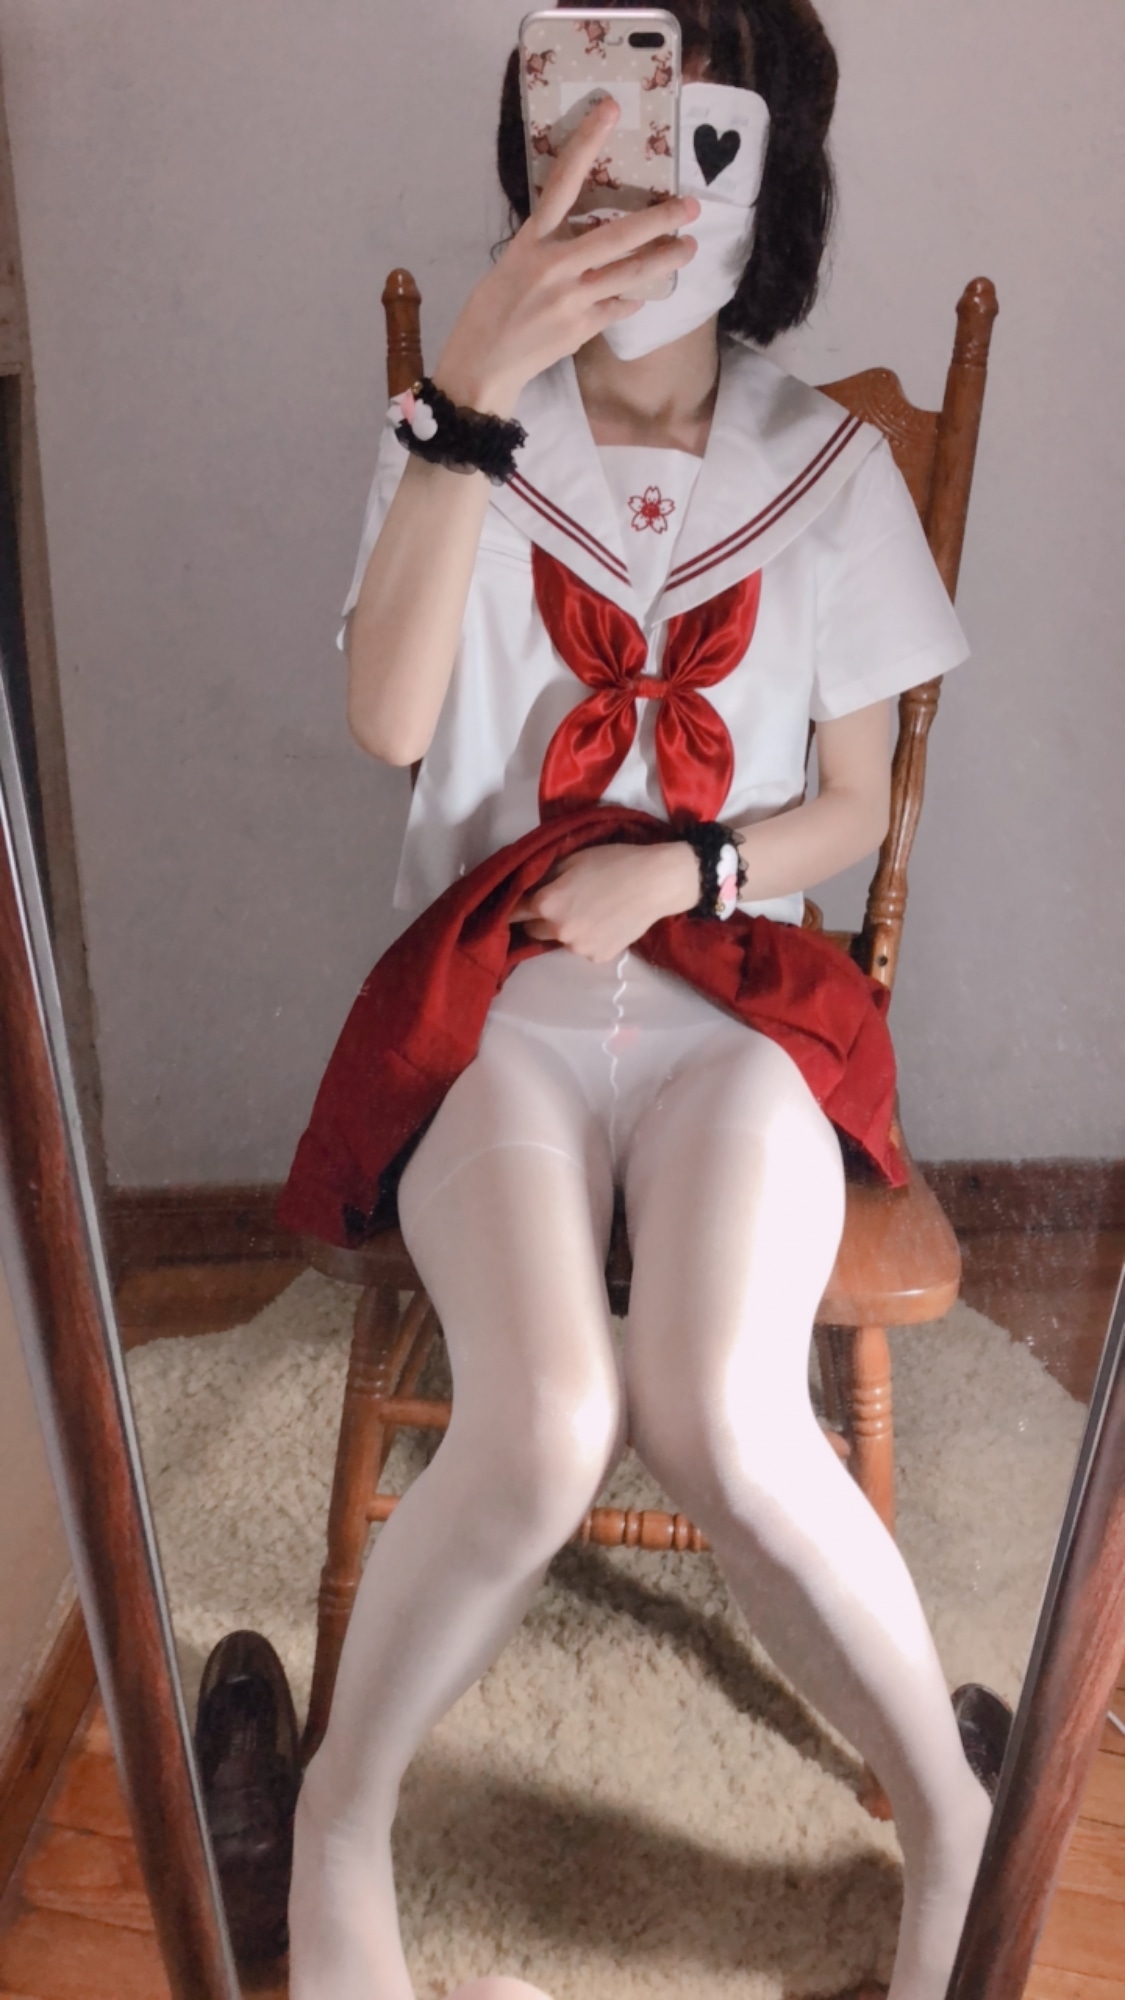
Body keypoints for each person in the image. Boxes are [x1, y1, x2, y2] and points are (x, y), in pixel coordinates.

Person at [284, 5, 992, 1996]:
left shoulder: (824, 464)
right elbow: (389, 722)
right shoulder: (460, 433)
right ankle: (338, 1814)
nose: (630, 184)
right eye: (581, 132)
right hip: (502, 999)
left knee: (723, 1415)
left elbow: (848, 800)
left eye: (689, 134)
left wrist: (683, 868)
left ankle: (951, 1815)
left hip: (728, 999)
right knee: (537, 1424)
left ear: (767, 175)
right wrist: (466, 398)